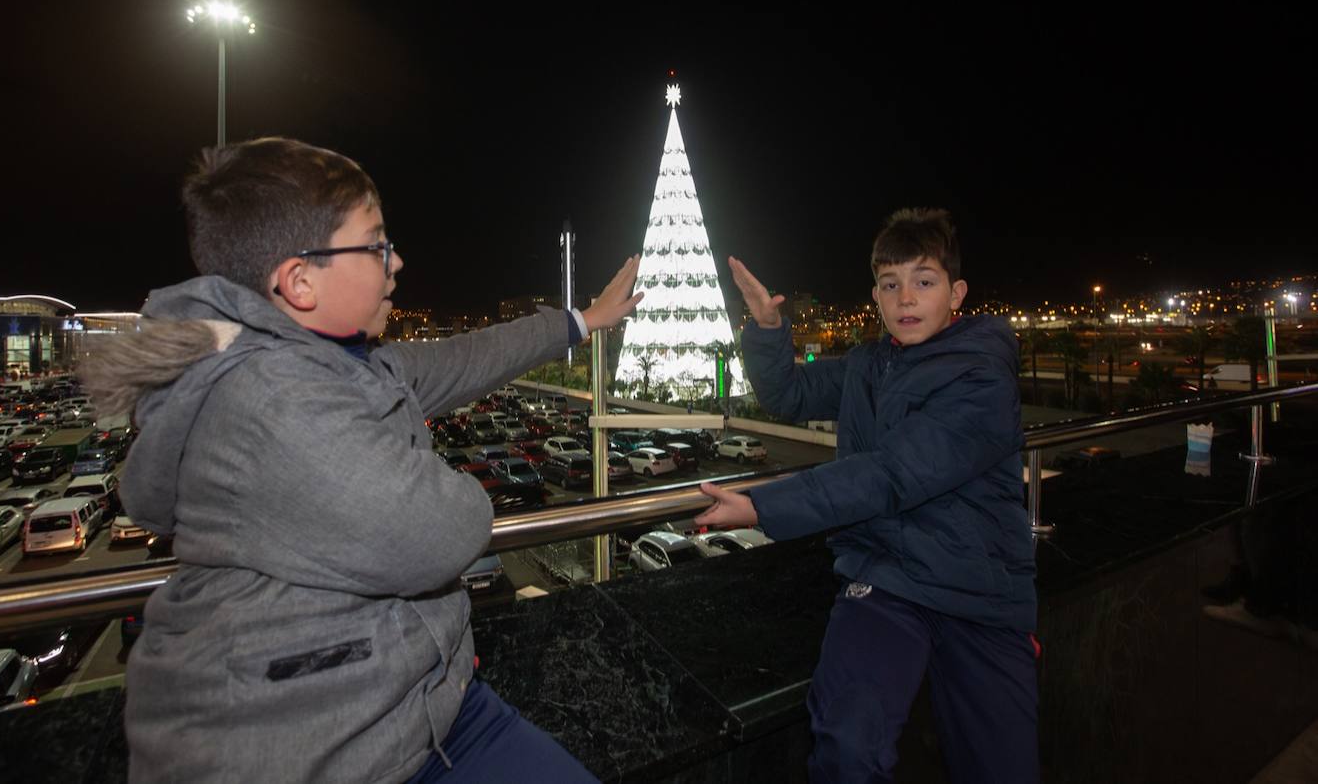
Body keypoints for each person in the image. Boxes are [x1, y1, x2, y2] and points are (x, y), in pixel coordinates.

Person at [83, 137, 641, 783]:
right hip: (326, 751)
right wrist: (458, 482)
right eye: (375, 244)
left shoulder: (345, 366)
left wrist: (581, 320)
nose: (396, 261)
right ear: (299, 280)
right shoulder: (271, 403)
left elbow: (468, 357)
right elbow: (444, 527)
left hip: (419, 712)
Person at [696, 208, 1038, 783]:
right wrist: (766, 329)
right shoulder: (868, 365)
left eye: (923, 282)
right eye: (890, 284)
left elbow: (891, 474)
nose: (906, 298)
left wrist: (763, 505)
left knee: (1001, 766)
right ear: (875, 296)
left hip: (977, 590)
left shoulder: (981, 378)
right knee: (847, 745)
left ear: (956, 293)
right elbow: (789, 394)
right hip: (885, 579)